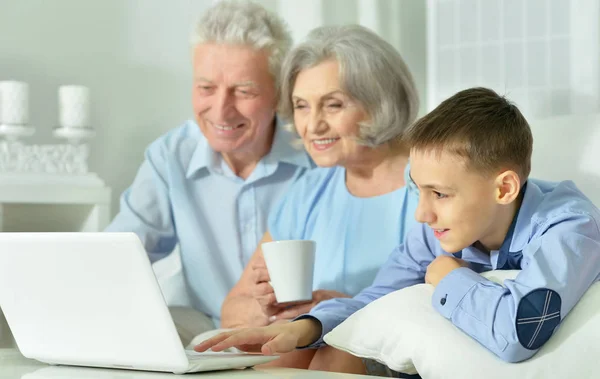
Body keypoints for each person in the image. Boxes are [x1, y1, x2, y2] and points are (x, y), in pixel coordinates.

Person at [196, 87, 600, 374]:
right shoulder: (437, 229)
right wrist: (302, 327)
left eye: (439, 193)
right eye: (417, 190)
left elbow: (519, 331)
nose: (422, 214)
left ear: (504, 188)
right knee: (321, 354)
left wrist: (449, 276)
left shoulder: (569, 228)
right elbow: (375, 300)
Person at [105, 1, 313, 343]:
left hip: (295, 330)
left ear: (279, 94)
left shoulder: (314, 158)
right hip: (206, 327)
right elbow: (118, 256)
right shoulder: (170, 157)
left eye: (244, 91)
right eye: (206, 88)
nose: (221, 110)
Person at [218, 24, 419, 373]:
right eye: (301, 106)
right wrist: (267, 308)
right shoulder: (307, 191)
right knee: (281, 351)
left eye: (333, 105)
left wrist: (342, 309)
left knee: (337, 353)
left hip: (394, 351)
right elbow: (232, 308)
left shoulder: (429, 183)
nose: (312, 125)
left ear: (380, 101)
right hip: (313, 349)